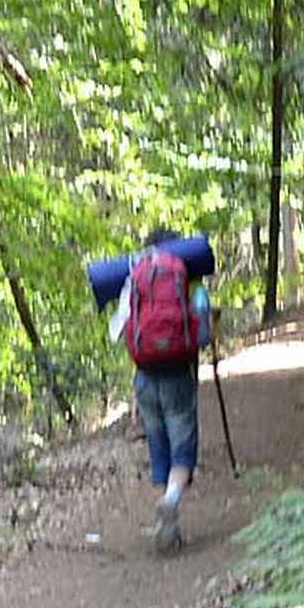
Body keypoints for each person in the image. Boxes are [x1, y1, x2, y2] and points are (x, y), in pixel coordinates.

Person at [109, 226, 212, 552]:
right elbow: (202, 334)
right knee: (183, 448)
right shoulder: (187, 282)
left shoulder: (135, 280)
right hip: (177, 376)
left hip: (144, 379)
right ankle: (171, 500)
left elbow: (125, 331)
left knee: (160, 447)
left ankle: (168, 523)